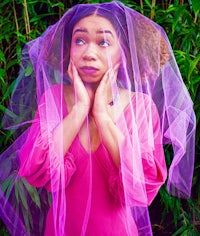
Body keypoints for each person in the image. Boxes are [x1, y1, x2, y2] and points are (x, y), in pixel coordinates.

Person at [0, 1, 196, 236]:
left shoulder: (140, 107)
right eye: (80, 40)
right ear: (68, 48)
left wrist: (102, 115)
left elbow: (142, 186)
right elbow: (35, 169)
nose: (89, 53)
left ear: (122, 52)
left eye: (103, 42)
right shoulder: (53, 98)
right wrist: (80, 108)